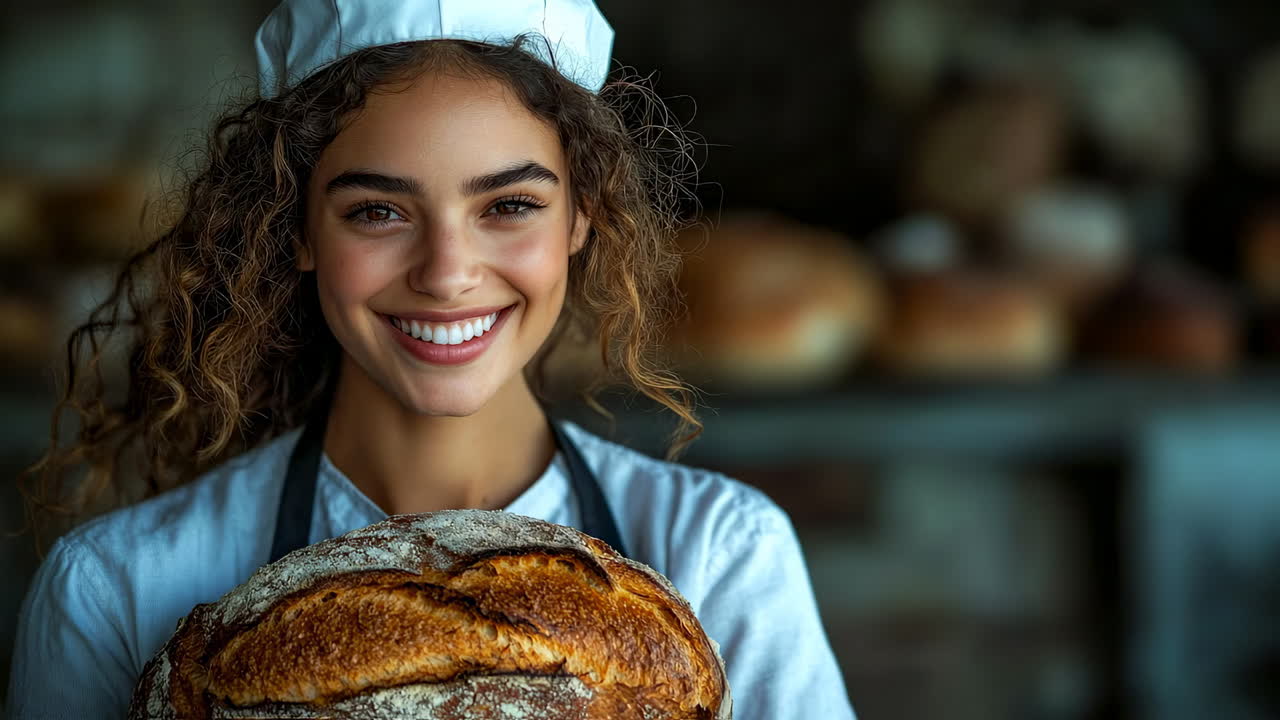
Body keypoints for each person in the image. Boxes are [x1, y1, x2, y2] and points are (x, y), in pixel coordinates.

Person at [6, 1, 857, 718]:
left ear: (580, 220)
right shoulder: (114, 590)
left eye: (510, 205)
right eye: (378, 212)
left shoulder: (721, 556)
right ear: (295, 229)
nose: (448, 274)